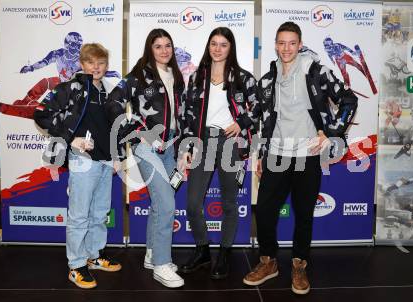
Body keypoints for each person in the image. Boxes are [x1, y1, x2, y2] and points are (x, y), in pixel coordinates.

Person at [243, 22, 357, 294]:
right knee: (266, 211)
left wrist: (331, 133)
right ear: (275, 44)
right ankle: (269, 261)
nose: (286, 48)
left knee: (304, 214)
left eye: (291, 43)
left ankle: (299, 265)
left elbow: (349, 100)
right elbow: (261, 121)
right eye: (281, 43)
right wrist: (261, 153)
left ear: (300, 43)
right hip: (276, 155)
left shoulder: (316, 72)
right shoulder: (268, 80)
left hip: (308, 155)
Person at [34, 43, 122, 289]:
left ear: (106, 65)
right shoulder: (69, 88)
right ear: (82, 64)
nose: (96, 67)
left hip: (106, 161)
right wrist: (71, 139)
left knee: (99, 213)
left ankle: (93, 256)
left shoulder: (108, 92)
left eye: (101, 62)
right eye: (91, 62)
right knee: (79, 215)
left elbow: (113, 128)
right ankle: (76, 265)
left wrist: (117, 157)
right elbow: (41, 113)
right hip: (83, 161)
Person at [105, 28, 185, 288]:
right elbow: (114, 101)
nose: (164, 50)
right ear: (150, 49)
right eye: (158, 46)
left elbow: (180, 114)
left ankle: (152, 254)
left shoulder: (176, 75)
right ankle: (162, 265)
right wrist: (134, 131)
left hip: (171, 145)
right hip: (146, 146)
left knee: (160, 203)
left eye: (168, 46)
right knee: (166, 203)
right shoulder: (139, 75)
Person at [179, 27, 260, 279]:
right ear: (208, 46)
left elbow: (259, 107)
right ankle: (203, 250)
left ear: (230, 48)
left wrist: (242, 123)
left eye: (223, 44)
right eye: (213, 43)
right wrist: (187, 146)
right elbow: (187, 115)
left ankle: (224, 253)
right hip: (202, 140)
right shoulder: (196, 78)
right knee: (192, 204)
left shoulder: (243, 78)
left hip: (229, 143)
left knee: (229, 203)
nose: (217, 48)